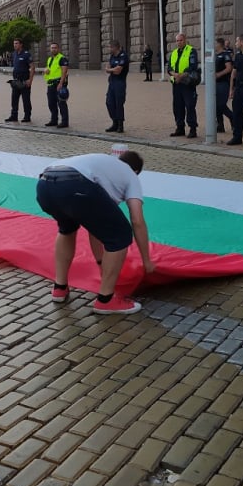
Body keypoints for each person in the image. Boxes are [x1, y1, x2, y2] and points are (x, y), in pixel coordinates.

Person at [36, 151, 155, 315]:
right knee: (120, 234)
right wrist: (146, 260)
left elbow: (96, 226)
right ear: (135, 171)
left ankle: (60, 288)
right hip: (74, 185)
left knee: (67, 229)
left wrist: (101, 263)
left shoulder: (104, 165)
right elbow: (137, 220)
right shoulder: (130, 176)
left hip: (45, 184)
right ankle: (106, 300)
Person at [168, 32, 199, 138]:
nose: (179, 42)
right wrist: (174, 75)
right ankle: (180, 128)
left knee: (190, 106)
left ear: (185, 40)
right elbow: (169, 68)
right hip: (176, 85)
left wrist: (181, 76)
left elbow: (192, 67)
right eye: (177, 40)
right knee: (177, 107)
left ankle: (193, 129)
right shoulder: (174, 53)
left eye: (181, 40)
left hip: (187, 84)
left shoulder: (191, 51)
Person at [5, 38, 34, 122]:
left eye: (16, 43)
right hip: (16, 81)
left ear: (21, 44)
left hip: (24, 81)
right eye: (14, 43)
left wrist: (30, 80)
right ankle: (14, 116)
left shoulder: (26, 54)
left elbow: (32, 67)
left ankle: (27, 116)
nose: (15, 45)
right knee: (14, 99)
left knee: (26, 100)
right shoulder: (14, 54)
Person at [104, 40, 128, 132]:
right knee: (109, 102)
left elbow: (118, 70)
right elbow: (108, 67)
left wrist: (110, 69)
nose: (109, 49)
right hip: (112, 82)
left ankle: (120, 125)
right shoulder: (112, 56)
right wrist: (111, 69)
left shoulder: (123, 56)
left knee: (119, 103)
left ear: (115, 47)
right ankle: (114, 122)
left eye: (110, 47)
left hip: (120, 83)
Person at [45, 42, 70, 128]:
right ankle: (54, 120)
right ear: (50, 49)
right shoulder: (50, 59)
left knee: (61, 103)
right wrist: (46, 71)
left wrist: (61, 83)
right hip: (51, 84)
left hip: (59, 84)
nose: (53, 49)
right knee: (51, 103)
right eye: (52, 48)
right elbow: (50, 69)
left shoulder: (62, 58)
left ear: (58, 49)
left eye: (55, 48)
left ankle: (64, 122)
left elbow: (64, 71)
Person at [213, 37, 234, 133]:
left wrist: (219, 74)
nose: (214, 45)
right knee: (216, 105)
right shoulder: (215, 55)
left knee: (221, 104)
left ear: (219, 44)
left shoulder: (226, 55)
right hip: (215, 84)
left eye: (215, 43)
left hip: (223, 83)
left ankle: (233, 118)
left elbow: (229, 68)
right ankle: (220, 125)